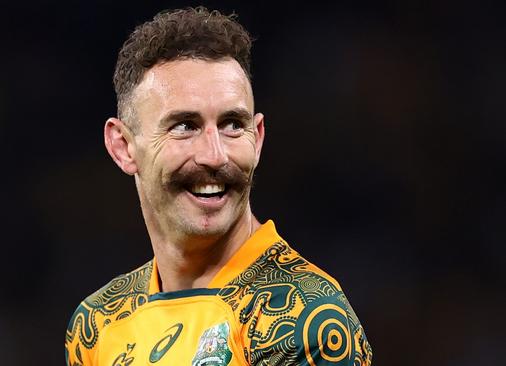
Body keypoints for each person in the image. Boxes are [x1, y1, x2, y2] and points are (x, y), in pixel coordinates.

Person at [65, 7, 372, 365]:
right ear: (123, 146)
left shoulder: (303, 320)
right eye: (184, 126)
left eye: (231, 124)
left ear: (256, 139)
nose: (214, 155)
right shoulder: (98, 324)